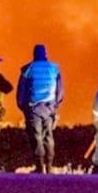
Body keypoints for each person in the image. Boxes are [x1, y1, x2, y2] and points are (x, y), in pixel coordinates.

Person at [16, 43, 63, 174]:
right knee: (49, 136)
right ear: (45, 53)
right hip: (49, 107)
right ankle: (49, 166)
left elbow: (21, 90)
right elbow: (60, 90)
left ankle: (39, 166)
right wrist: (55, 105)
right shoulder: (54, 68)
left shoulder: (28, 68)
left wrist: (23, 107)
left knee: (36, 137)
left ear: (34, 54)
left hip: (33, 108)